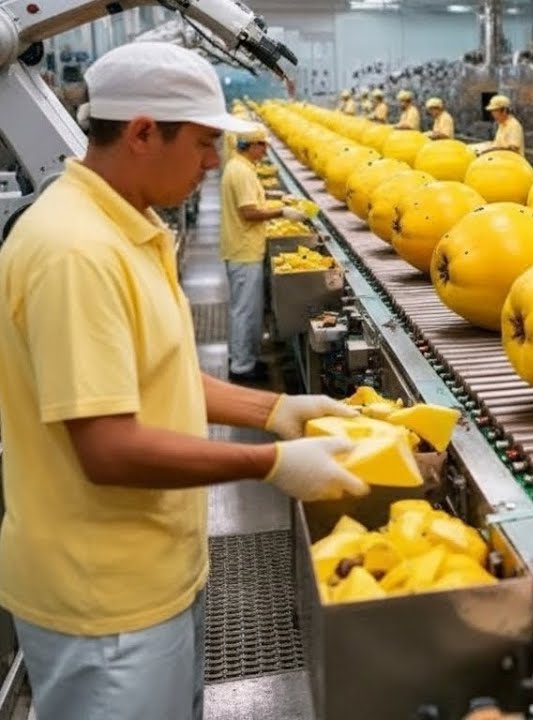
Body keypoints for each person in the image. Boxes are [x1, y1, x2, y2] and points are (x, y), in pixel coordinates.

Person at [0, 41, 368, 720]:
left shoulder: (128, 227)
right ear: (143, 133)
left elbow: (157, 377)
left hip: (158, 574)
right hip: (105, 604)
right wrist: (270, 464)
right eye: (202, 143)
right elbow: (109, 449)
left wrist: (276, 409)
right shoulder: (76, 252)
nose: (212, 163)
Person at [220, 125, 307, 383]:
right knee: (245, 311)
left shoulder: (241, 167)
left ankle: (242, 357)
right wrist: (282, 212)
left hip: (243, 248)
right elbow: (249, 211)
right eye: (263, 145)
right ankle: (242, 366)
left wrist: (275, 196)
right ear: (252, 145)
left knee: (245, 309)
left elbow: (252, 198)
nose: (266, 150)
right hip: (244, 251)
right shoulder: (241, 171)